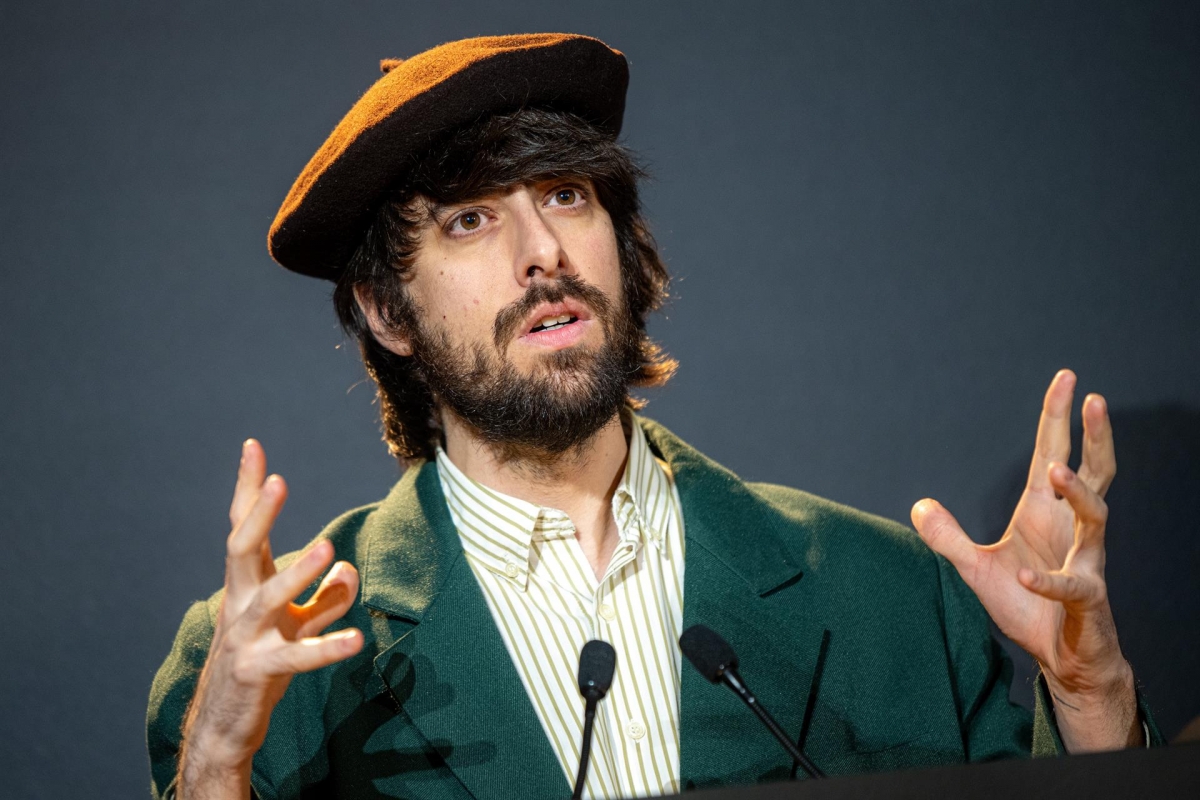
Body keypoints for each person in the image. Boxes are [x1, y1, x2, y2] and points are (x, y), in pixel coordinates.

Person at [146, 33, 1159, 800]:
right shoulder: (281, 655)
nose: (543, 253)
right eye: (472, 220)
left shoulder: (895, 597)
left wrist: (1089, 694)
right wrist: (217, 762)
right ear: (385, 312)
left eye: (566, 195)